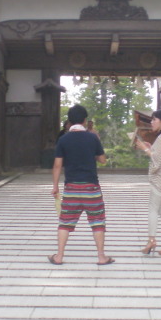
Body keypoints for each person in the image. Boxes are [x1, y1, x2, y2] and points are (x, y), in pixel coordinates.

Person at [50, 104, 114, 266]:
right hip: (91, 188)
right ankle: (101, 257)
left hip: (71, 188)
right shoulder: (92, 138)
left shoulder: (63, 140)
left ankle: (59, 256)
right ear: (85, 120)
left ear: (70, 121)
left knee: (65, 222)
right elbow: (103, 160)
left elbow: (57, 165)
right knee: (97, 221)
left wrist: (55, 186)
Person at [134, 109, 161, 256]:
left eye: (154, 120)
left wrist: (144, 148)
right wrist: (150, 148)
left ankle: (151, 240)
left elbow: (156, 161)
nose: (152, 122)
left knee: (153, 210)